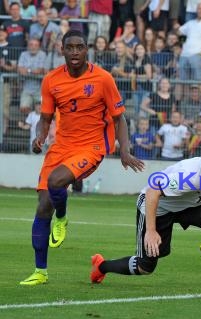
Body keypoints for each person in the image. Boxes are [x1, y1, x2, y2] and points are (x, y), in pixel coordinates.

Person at [20, 30, 145, 286]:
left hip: (92, 146)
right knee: (43, 206)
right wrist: (39, 137)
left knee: (56, 182)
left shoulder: (103, 79)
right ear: (62, 50)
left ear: (87, 49)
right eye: (70, 47)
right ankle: (40, 272)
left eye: (80, 47)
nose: (75, 52)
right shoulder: (51, 80)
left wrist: (124, 149)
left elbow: (119, 118)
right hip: (61, 146)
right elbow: (44, 119)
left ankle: (63, 217)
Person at [91, 139, 201, 294]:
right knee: (145, 267)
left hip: (186, 205)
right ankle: (101, 265)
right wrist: (151, 230)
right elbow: (152, 191)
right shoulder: (188, 176)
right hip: (157, 207)